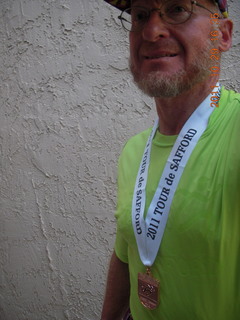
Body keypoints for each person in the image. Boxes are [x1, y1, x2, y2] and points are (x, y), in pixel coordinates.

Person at [101, 0, 240, 319]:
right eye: (140, 15)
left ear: (223, 34)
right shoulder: (134, 151)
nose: (151, 31)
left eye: (177, 9)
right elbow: (127, 254)